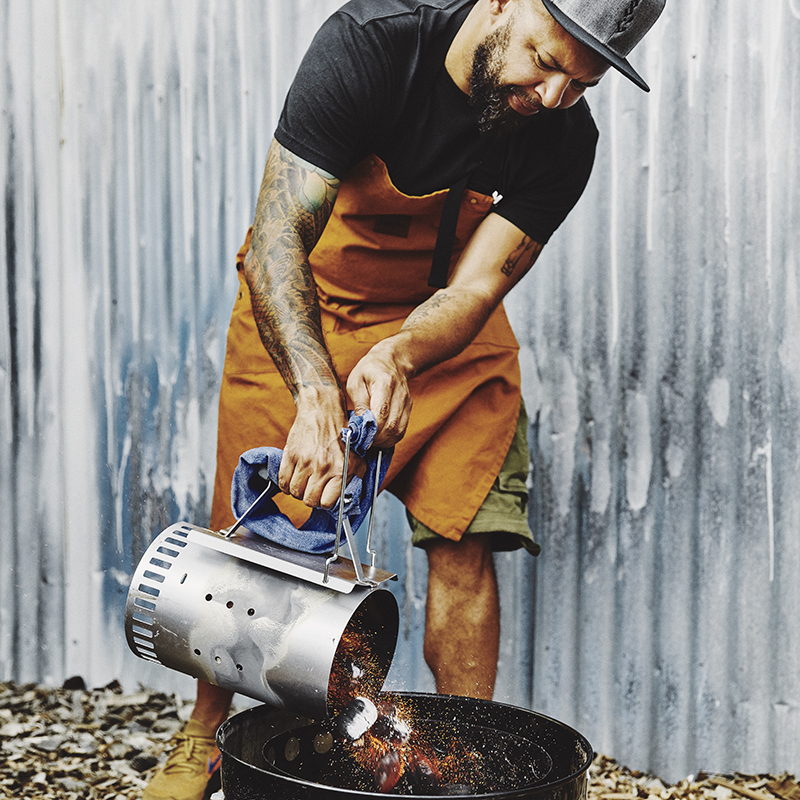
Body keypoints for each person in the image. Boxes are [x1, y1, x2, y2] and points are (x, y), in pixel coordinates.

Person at [142, 0, 665, 797]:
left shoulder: (566, 138)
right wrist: (316, 393)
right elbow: (277, 239)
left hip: (440, 335)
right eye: (546, 61)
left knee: (468, 539)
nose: (557, 96)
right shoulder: (368, 49)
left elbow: (478, 286)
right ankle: (204, 736)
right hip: (305, 314)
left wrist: (400, 353)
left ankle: (465, 762)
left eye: (583, 83)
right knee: (253, 547)